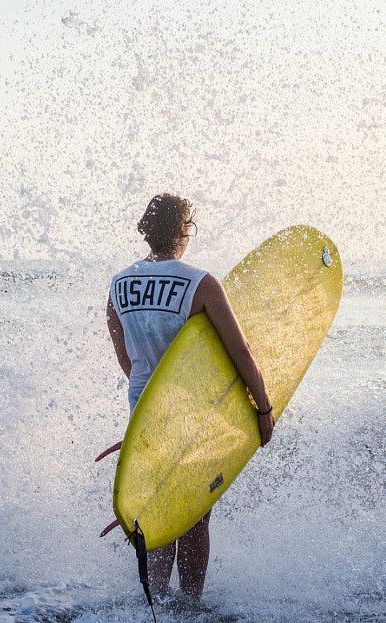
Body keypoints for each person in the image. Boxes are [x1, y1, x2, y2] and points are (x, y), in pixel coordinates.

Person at [106, 193, 275, 601]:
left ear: (148, 231)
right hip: (194, 416)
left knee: (161, 511)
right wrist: (264, 408)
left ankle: (160, 601)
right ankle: (190, 608)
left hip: (144, 415)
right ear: (184, 229)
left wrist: (149, 398)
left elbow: (124, 354)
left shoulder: (120, 283)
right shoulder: (200, 283)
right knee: (195, 514)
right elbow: (241, 351)